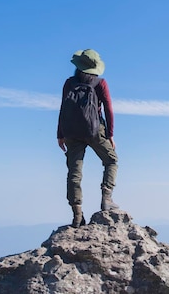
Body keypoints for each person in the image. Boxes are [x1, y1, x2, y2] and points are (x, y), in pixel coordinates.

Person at [57, 49, 120, 228]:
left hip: (71, 132)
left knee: (74, 173)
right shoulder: (100, 83)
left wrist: (60, 134)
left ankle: (77, 215)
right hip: (94, 130)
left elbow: (63, 109)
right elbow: (108, 110)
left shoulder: (69, 83)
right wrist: (110, 134)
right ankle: (106, 199)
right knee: (111, 160)